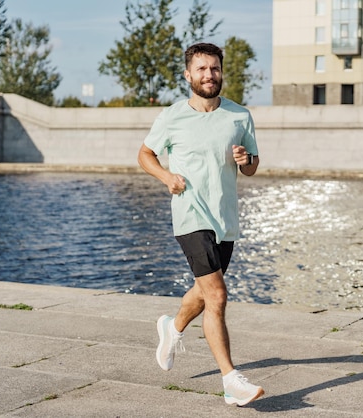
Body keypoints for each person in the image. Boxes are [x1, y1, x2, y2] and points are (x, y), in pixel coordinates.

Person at [137, 42, 264, 407]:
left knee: (204, 290)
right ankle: (231, 380)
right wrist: (165, 176)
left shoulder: (240, 116)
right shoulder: (172, 116)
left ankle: (172, 328)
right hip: (190, 215)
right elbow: (145, 154)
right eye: (202, 69)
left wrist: (246, 158)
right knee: (218, 296)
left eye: (215, 68)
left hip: (225, 219)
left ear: (222, 71)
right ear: (188, 75)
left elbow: (252, 166)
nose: (209, 75)